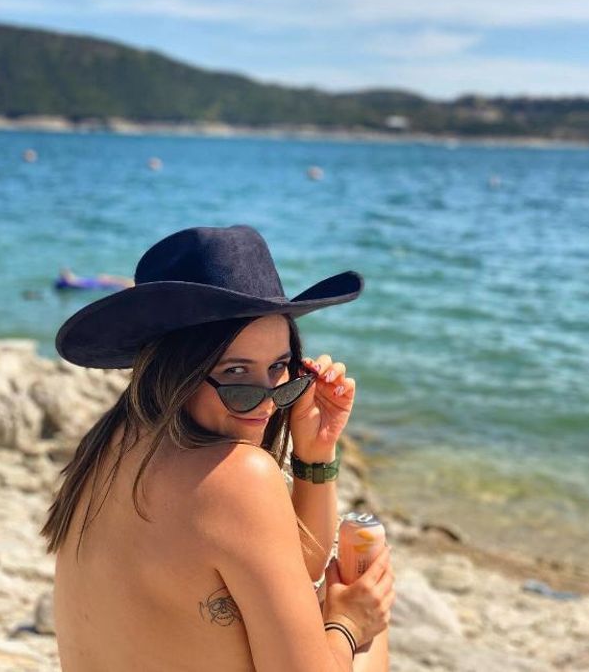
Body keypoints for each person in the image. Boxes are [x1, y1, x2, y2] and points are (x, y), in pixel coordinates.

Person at [41, 225, 393, 671]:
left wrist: (316, 453)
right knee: (366, 631)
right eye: (235, 372)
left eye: (279, 368)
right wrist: (350, 626)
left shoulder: (110, 441)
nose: (266, 400)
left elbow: (290, 566)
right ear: (178, 369)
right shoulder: (238, 476)